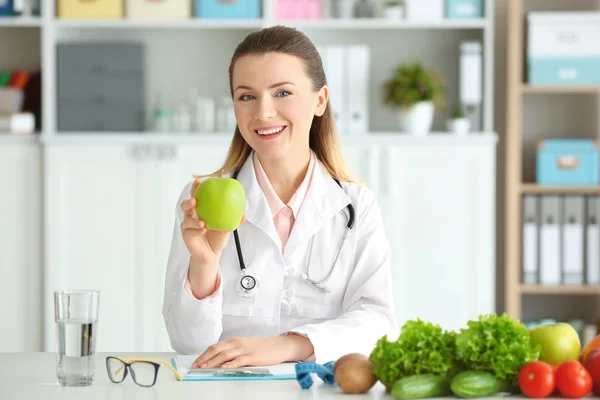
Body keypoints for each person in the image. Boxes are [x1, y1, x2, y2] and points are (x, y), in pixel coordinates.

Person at [162, 25, 397, 370]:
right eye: (247, 96)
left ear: (320, 100)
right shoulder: (200, 199)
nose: (263, 112)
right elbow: (187, 346)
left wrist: (288, 346)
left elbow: (379, 326)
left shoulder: (356, 206)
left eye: (282, 93)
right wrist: (205, 263)